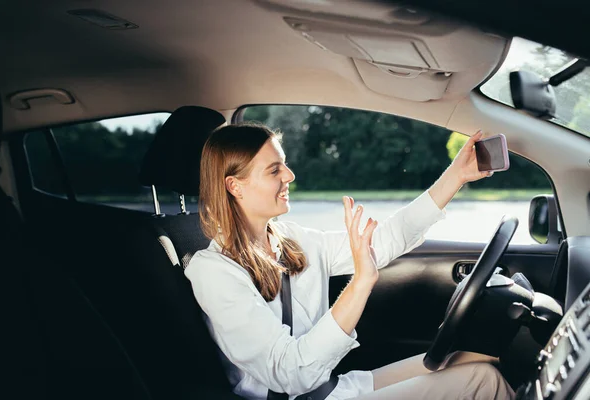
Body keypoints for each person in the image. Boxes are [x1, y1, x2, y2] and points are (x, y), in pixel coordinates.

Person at [185, 123, 515, 400]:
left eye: (283, 163)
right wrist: (360, 283)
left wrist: (455, 176)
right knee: (482, 381)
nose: (289, 174)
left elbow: (388, 239)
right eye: (274, 169)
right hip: (305, 394)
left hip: (333, 388)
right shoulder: (214, 271)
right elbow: (291, 374)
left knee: (478, 357)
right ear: (234, 186)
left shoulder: (291, 240)